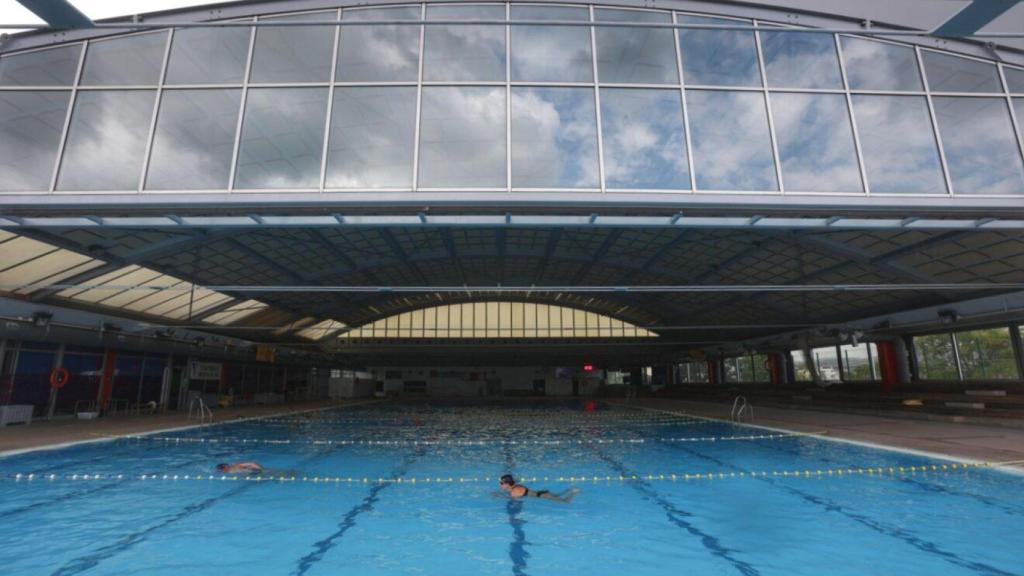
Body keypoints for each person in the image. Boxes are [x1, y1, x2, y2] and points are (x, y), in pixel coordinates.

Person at [499, 474, 579, 503]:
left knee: (565, 501)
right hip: (542, 493)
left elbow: (514, 501)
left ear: (507, 484)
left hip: (544, 495)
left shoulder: (514, 491)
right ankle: (569, 490)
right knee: (557, 495)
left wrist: (499, 496)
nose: (500, 485)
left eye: (502, 483)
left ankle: (574, 493)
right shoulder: (515, 486)